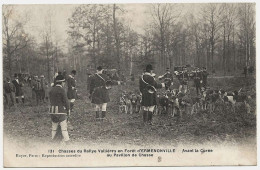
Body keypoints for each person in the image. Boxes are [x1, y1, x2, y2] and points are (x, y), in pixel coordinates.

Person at [49, 74, 70, 144]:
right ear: (62, 82)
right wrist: (68, 110)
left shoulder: (51, 90)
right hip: (61, 111)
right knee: (64, 129)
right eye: (64, 82)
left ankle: (53, 141)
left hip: (52, 111)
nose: (64, 84)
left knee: (54, 128)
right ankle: (68, 143)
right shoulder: (62, 90)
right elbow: (66, 101)